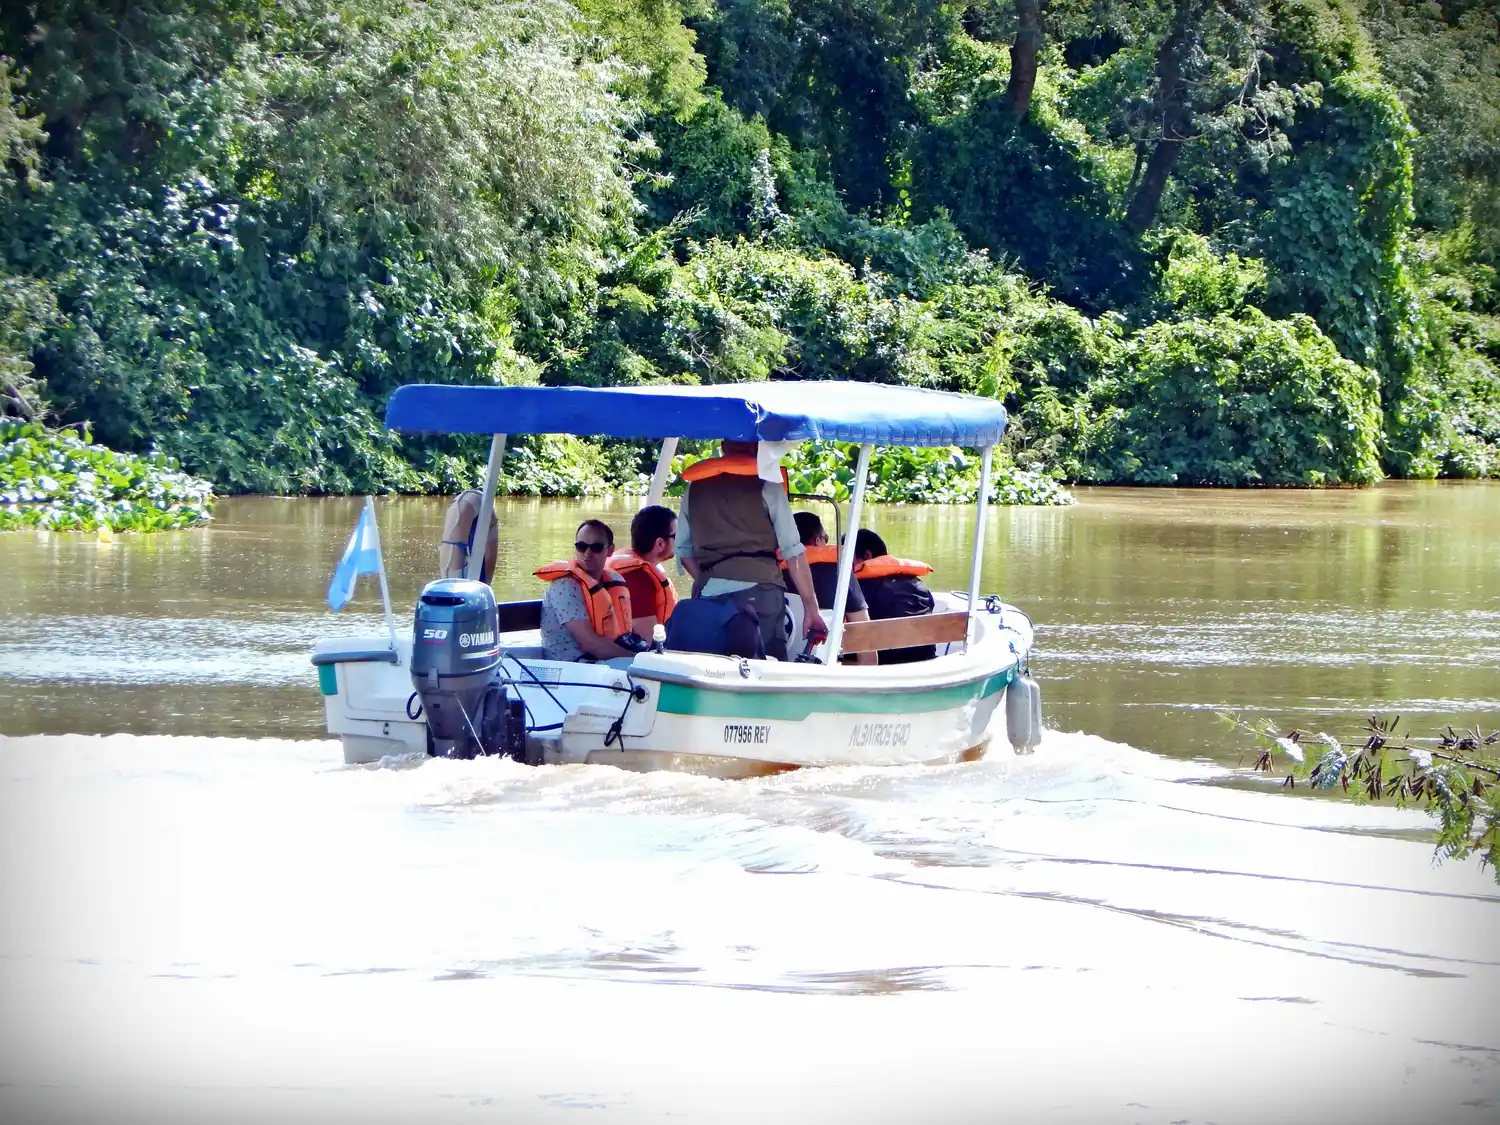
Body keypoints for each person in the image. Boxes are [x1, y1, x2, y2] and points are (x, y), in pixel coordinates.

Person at [675, 439, 827, 660]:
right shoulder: (768, 484)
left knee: (713, 666)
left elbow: (684, 552)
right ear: (756, 448)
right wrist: (811, 610)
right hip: (761, 594)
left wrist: (706, 579)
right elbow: (793, 553)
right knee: (767, 669)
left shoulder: (694, 489)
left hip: (709, 594)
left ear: (723, 446)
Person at [535, 519, 642, 663]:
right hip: (571, 669)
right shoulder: (565, 586)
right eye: (581, 546)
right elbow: (590, 644)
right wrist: (639, 659)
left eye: (596, 547)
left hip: (602, 664)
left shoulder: (613, 579)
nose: (587, 554)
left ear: (610, 550)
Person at [791, 511, 875, 666]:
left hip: (780, 661)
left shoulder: (772, 570)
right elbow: (864, 632)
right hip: (823, 665)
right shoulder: (838, 572)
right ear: (817, 541)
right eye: (825, 538)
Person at [853, 528, 937, 665]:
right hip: (925, 661)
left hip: (882, 665)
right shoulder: (919, 586)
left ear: (867, 555)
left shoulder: (857, 589)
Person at [609, 504, 679, 636]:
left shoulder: (648, 568)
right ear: (660, 544)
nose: (682, 540)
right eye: (677, 535)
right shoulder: (638, 579)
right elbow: (647, 640)